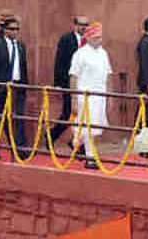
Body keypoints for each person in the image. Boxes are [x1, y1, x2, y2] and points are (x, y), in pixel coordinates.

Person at [70, 23, 112, 170]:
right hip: (85, 96)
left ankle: (76, 141)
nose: (99, 40)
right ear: (88, 38)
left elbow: (108, 76)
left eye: (100, 37)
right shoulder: (80, 54)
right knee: (89, 127)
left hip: (100, 95)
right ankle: (90, 157)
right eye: (95, 37)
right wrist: (74, 98)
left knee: (95, 126)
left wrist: (109, 96)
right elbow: (73, 77)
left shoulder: (103, 53)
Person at [0, 17, 28, 158]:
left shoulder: (20, 45)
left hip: (17, 87)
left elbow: (23, 66)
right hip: (1, 87)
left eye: (17, 29)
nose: (15, 32)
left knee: (16, 118)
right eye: (12, 29)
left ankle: (18, 150)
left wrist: (24, 86)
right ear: (5, 30)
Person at [50, 15, 89, 144]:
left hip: (85, 84)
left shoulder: (89, 41)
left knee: (85, 116)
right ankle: (52, 135)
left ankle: (77, 143)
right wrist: (58, 84)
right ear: (75, 25)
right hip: (69, 82)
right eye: (81, 24)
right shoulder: (66, 39)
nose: (84, 27)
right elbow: (59, 61)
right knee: (68, 113)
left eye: (86, 25)